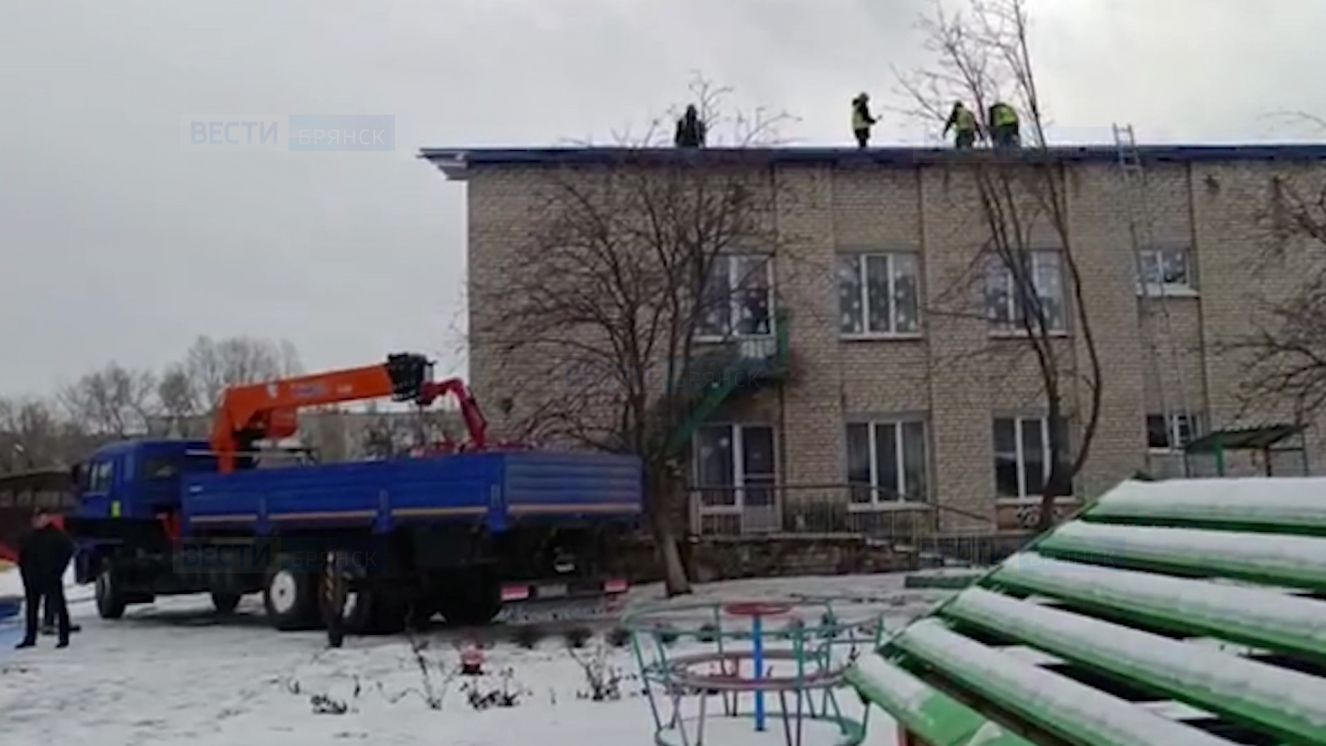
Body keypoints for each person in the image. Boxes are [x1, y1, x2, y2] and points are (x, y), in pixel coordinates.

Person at [16, 508, 74, 649]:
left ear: (47, 518)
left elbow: (68, 551)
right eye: (35, 518)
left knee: (59, 606)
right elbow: (23, 557)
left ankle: (64, 637)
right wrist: (25, 573)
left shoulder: (58, 536)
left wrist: (57, 570)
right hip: (33, 578)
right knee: (31, 609)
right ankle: (30, 637)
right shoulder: (29, 537)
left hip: (51, 577)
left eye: (40, 518)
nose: (37, 521)